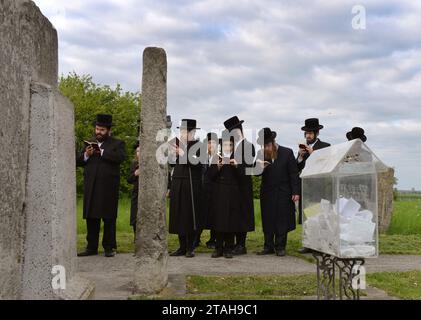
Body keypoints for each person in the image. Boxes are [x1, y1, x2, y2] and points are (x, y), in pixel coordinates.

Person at [76, 114, 126, 258]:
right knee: (92, 218)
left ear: (108, 131)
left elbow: (120, 158)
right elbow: (78, 161)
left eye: (102, 130)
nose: (98, 132)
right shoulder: (89, 143)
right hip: (91, 187)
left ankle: (109, 247)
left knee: (109, 218)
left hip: (108, 188)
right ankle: (91, 247)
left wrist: (102, 151)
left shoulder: (117, 144)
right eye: (97, 129)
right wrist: (86, 154)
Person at [255, 128, 300, 257]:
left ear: (273, 143)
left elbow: (293, 174)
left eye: (268, 146)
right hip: (267, 192)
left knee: (282, 219)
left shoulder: (287, 152)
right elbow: (254, 172)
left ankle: (280, 246)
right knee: (268, 219)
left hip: (283, 192)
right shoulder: (261, 153)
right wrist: (260, 167)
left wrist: (295, 191)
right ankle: (268, 246)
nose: (266, 149)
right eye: (264, 146)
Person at [168, 119, 203, 258]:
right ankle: (182, 246)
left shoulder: (199, 146)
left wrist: (183, 153)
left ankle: (190, 247)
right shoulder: (177, 144)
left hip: (191, 183)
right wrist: (173, 153)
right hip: (177, 182)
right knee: (178, 215)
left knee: (190, 215)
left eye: (186, 131)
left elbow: (199, 164)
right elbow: (171, 164)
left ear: (192, 132)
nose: (183, 133)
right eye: (181, 131)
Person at [207, 132, 244, 259]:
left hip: (233, 194)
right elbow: (210, 176)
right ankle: (218, 248)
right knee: (219, 221)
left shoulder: (238, 157)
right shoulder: (216, 158)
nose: (228, 147)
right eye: (226, 145)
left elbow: (244, 176)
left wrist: (237, 166)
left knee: (231, 221)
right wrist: (217, 167)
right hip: (219, 193)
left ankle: (228, 248)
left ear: (233, 147)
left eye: (230, 145)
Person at [296, 118, 330, 254]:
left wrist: (312, 154)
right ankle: (309, 244)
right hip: (306, 188)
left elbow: (326, 164)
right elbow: (297, 167)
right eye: (306, 133)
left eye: (310, 133)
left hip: (319, 188)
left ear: (317, 133)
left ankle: (320, 245)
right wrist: (299, 156)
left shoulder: (326, 146)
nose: (308, 136)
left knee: (319, 217)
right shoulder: (303, 147)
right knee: (308, 218)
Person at [223, 116, 255, 255]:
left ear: (238, 131)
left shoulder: (248, 146)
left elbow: (249, 168)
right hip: (231, 187)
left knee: (242, 215)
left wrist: (237, 165)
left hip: (243, 186)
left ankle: (242, 245)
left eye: (233, 132)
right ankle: (234, 243)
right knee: (234, 215)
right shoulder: (232, 146)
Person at [193, 132, 219, 249]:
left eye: (213, 143)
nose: (211, 146)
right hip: (202, 191)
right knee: (200, 216)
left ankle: (212, 240)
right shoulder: (201, 158)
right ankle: (196, 239)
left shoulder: (219, 158)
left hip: (214, 192)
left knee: (214, 216)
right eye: (209, 143)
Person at [127, 142, 140, 240]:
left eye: (141, 151)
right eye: (137, 151)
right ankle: (136, 237)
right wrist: (135, 174)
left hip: (148, 195)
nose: (139, 153)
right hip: (136, 193)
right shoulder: (134, 163)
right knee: (135, 216)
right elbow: (129, 179)